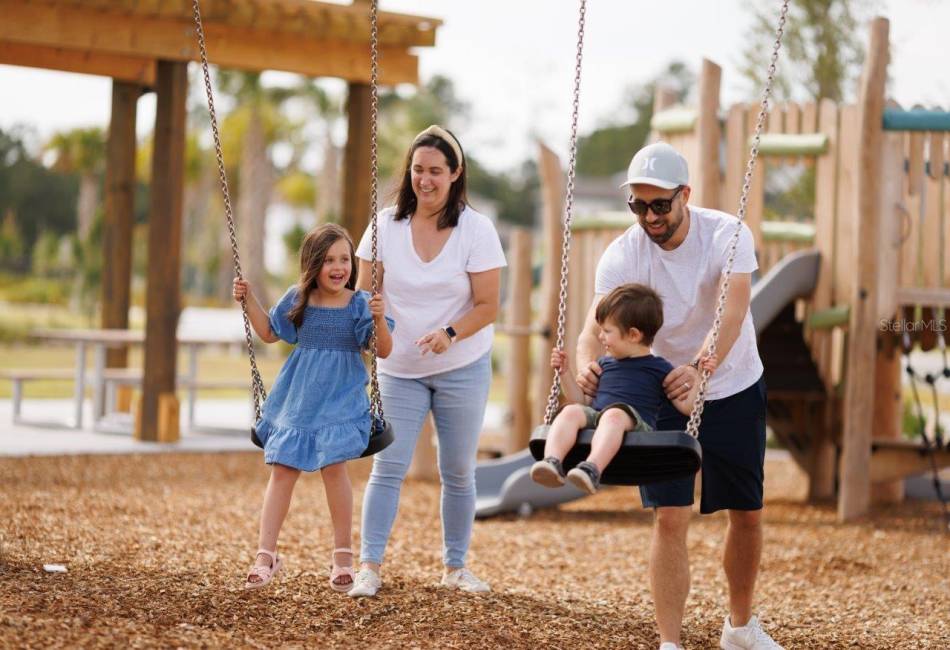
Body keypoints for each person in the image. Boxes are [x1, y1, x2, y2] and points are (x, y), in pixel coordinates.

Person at [575, 142, 781, 649]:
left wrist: (698, 368)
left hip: (731, 381)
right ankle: (670, 642)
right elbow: (590, 330)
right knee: (670, 516)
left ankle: (738, 627)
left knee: (746, 512)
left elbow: (729, 315)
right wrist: (586, 366)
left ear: (685, 195)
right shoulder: (624, 252)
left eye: (660, 205)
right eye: (638, 205)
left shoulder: (728, 236)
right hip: (660, 390)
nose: (649, 216)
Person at [348, 125, 506, 598]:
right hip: (400, 369)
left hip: (462, 364)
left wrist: (450, 333)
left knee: (457, 470)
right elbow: (362, 293)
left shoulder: (476, 230)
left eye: (436, 171)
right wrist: (370, 321)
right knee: (387, 467)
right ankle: (369, 566)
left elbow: (488, 305)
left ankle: (455, 568)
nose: (426, 180)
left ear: (456, 174)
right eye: (418, 170)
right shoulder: (385, 225)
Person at [233, 223, 394, 593]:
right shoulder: (298, 298)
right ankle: (265, 555)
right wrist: (249, 299)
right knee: (283, 471)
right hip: (299, 400)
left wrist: (380, 318)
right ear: (313, 264)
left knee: (334, 470)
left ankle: (343, 557)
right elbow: (270, 333)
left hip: (340, 401)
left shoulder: (359, 304)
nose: (339, 267)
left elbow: (382, 350)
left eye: (344, 259)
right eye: (329, 260)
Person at [530, 283, 716, 494]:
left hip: (636, 427)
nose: (600, 337)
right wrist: (565, 373)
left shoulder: (660, 368)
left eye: (607, 331)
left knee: (614, 415)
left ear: (633, 335)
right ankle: (552, 461)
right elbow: (581, 402)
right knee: (570, 411)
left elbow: (687, 407)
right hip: (600, 418)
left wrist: (702, 378)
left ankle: (591, 468)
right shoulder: (604, 364)